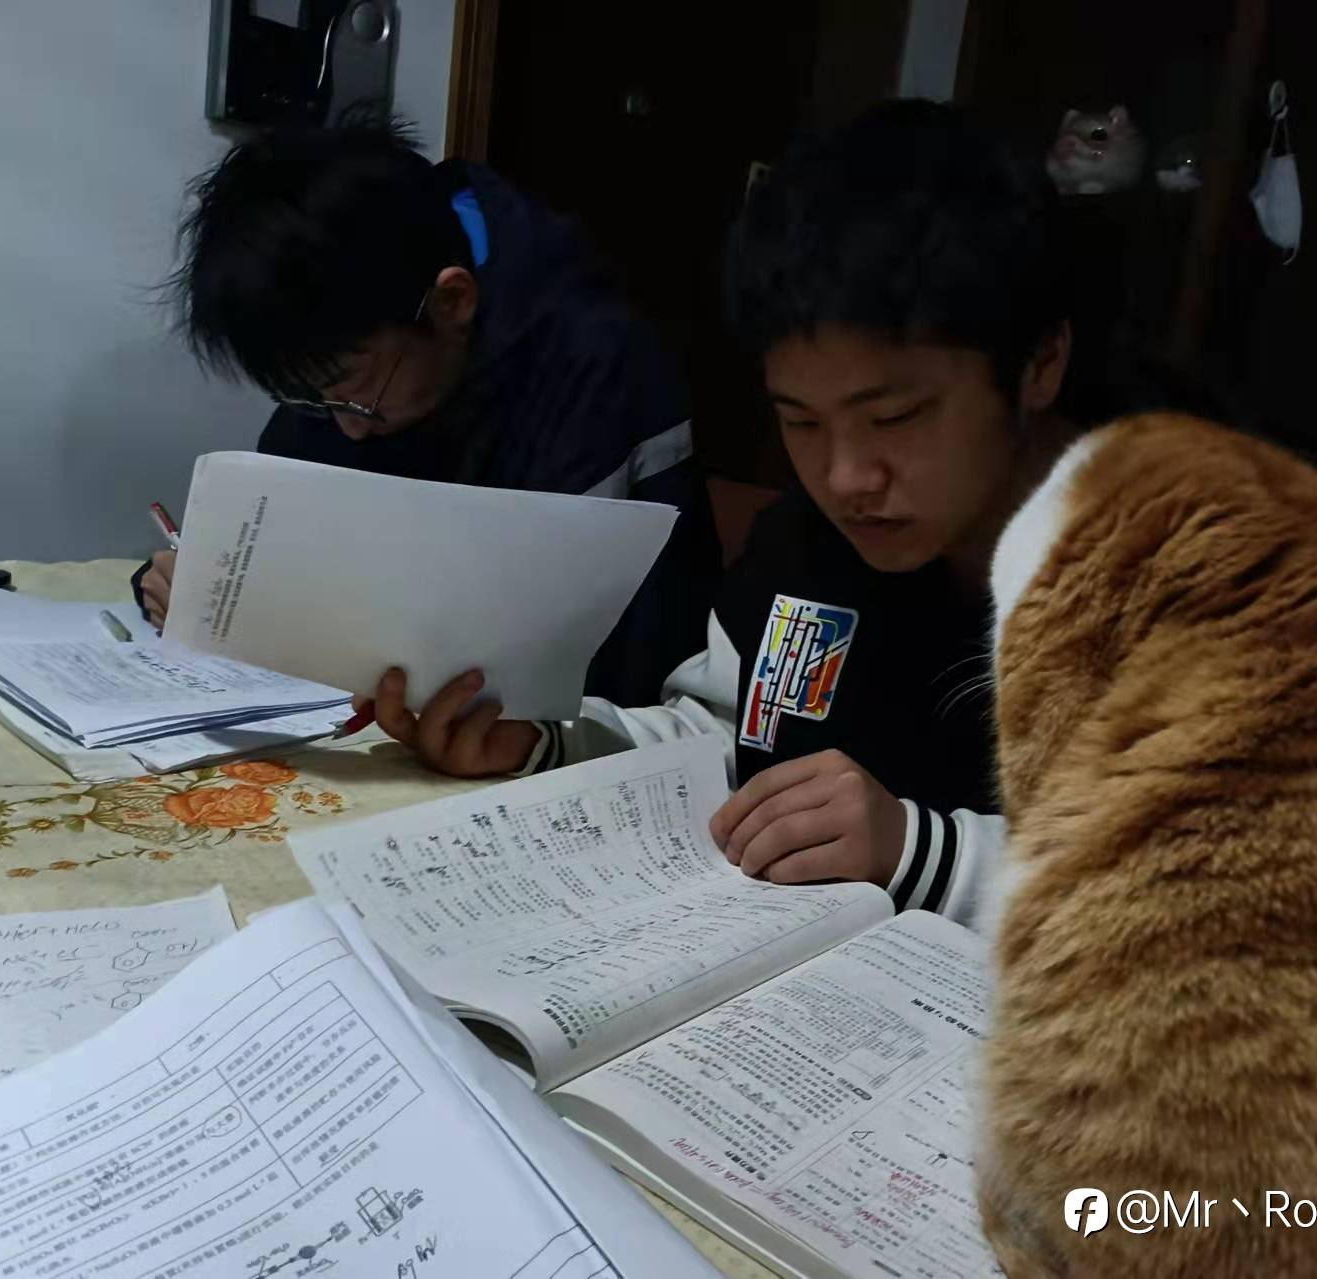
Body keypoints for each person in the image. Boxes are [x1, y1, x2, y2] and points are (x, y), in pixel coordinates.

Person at [357, 99, 1090, 925]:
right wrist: (547, 745)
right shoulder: (812, 546)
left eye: (895, 418)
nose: (845, 477)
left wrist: (924, 853)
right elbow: (723, 740)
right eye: (801, 421)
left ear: (1039, 364)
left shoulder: (1178, 566)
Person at [136, 122, 720, 707]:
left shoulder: (593, 368)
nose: (347, 426)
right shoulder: (346, 358)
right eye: (307, 397)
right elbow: (286, 542)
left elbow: (579, 658)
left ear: (452, 302)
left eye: (351, 389)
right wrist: (201, 587)